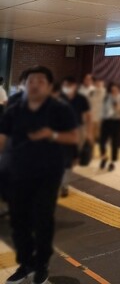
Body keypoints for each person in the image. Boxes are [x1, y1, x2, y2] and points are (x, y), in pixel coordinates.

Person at [0, 66, 78, 284]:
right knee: (19, 221)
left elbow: (73, 137)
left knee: (42, 220)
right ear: (24, 85)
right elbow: (2, 139)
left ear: (50, 86)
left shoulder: (60, 110)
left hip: (47, 174)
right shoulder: (14, 110)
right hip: (18, 172)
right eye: (30, 80)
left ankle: (42, 266)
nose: (35, 84)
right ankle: (26, 264)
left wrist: (51, 134)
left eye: (41, 81)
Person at [59, 77, 91, 197]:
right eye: (65, 85)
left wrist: (89, 132)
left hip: (78, 130)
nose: (67, 88)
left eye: (69, 85)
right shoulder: (59, 97)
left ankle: (64, 184)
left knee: (72, 157)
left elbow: (88, 116)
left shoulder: (81, 99)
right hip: (61, 130)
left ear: (75, 86)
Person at [100, 83, 120, 171]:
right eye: (112, 90)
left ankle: (112, 163)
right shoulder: (107, 97)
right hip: (106, 122)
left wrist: (118, 107)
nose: (114, 92)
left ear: (119, 90)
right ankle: (104, 157)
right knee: (102, 141)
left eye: (116, 90)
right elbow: (103, 110)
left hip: (117, 122)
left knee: (115, 143)